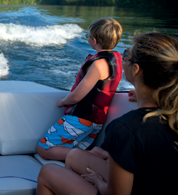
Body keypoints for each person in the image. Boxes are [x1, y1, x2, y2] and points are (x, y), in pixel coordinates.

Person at [36, 33, 178, 195]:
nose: (123, 59)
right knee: (74, 156)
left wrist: (99, 182)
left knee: (48, 171)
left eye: (126, 55)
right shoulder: (170, 113)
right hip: (157, 190)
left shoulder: (126, 128)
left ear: (136, 69)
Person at [36, 18, 123, 161]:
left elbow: (77, 96)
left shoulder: (98, 65)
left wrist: (63, 101)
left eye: (87, 36)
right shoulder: (118, 60)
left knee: (44, 149)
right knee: (75, 149)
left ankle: (94, 154)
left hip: (81, 118)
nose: (87, 38)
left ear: (94, 41)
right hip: (97, 121)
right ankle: (91, 155)